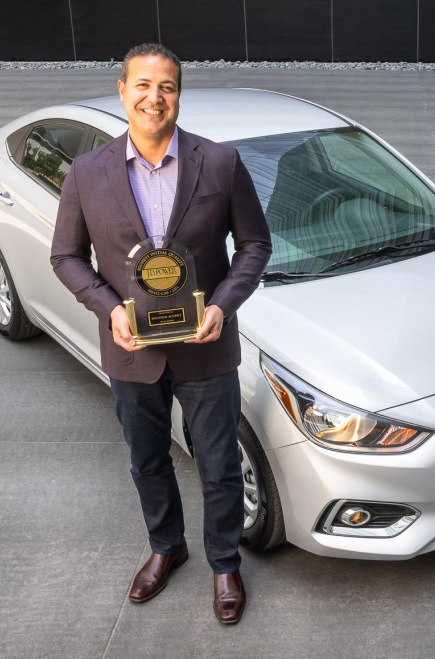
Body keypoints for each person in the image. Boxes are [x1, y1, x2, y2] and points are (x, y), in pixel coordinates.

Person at [50, 43, 271, 623]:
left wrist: (222, 305)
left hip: (206, 347)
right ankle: (166, 547)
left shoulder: (218, 163)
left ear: (179, 94)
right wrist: (109, 309)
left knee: (219, 463)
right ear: (122, 90)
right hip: (131, 353)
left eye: (167, 86)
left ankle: (225, 563)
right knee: (147, 460)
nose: (155, 98)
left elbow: (254, 246)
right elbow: (67, 257)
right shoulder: (86, 173)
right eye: (143, 85)